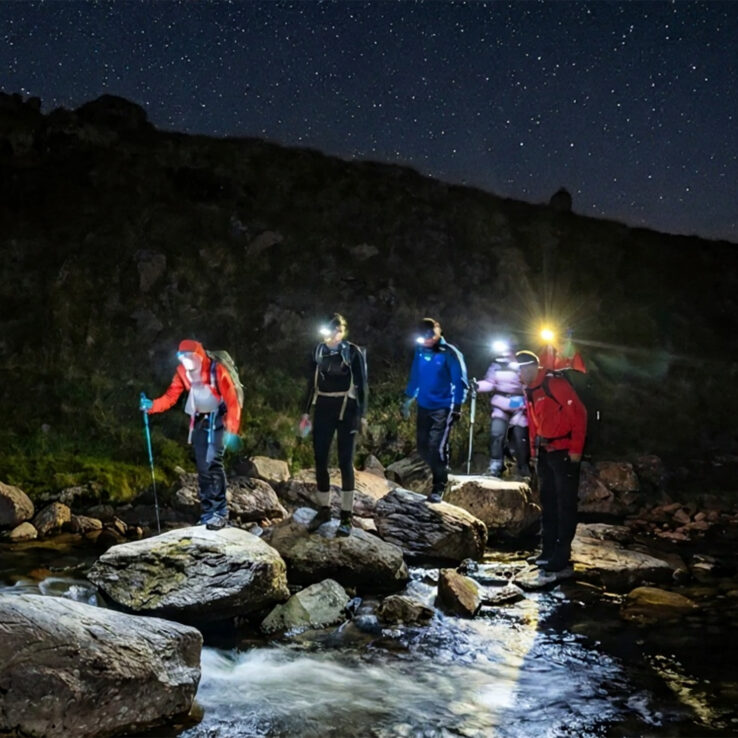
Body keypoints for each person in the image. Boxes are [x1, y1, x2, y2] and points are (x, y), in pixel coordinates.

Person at [140, 339, 241, 531]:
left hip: (219, 420)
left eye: (188, 357)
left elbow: (232, 400)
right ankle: (208, 513)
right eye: (182, 357)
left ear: (198, 355)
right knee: (203, 469)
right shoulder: (182, 372)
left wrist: (231, 428)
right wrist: (151, 406)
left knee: (214, 463)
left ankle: (220, 513)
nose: (185, 361)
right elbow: (171, 397)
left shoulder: (216, 370)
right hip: (200, 422)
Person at [515, 350, 587, 572]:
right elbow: (533, 421)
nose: (519, 375)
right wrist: (534, 452)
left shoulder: (555, 384)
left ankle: (562, 553)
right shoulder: (530, 390)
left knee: (564, 503)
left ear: (531, 368)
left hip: (564, 451)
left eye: (521, 370)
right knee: (548, 501)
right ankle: (547, 549)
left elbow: (580, 414)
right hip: (546, 451)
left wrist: (576, 449)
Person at [299, 313, 368, 537]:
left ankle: (347, 516)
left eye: (336, 332)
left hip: (346, 409)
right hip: (323, 408)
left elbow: (362, 384)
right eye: (329, 333)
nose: (332, 337)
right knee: (320, 459)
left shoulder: (353, 352)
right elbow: (311, 382)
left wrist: (362, 415)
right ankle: (324, 509)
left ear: (342, 332)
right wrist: (304, 412)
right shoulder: (318, 351)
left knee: (345, 461)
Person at [402, 318, 468, 503]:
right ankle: (441, 469)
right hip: (424, 405)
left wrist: (457, 406)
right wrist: (408, 399)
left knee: (436, 446)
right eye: (424, 337)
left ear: (438, 333)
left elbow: (459, 382)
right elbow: (416, 376)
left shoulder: (450, 353)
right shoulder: (420, 350)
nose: (428, 340)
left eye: (431, 336)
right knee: (423, 448)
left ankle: (439, 485)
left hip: (444, 407)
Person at [475, 340, 531, 479]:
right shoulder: (496, 365)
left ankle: (523, 468)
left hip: (518, 404)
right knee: (496, 434)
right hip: (500, 403)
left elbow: (528, 384)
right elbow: (490, 383)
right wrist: (476, 386)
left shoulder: (521, 365)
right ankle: (495, 465)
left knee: (520, 437)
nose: (505, 353)